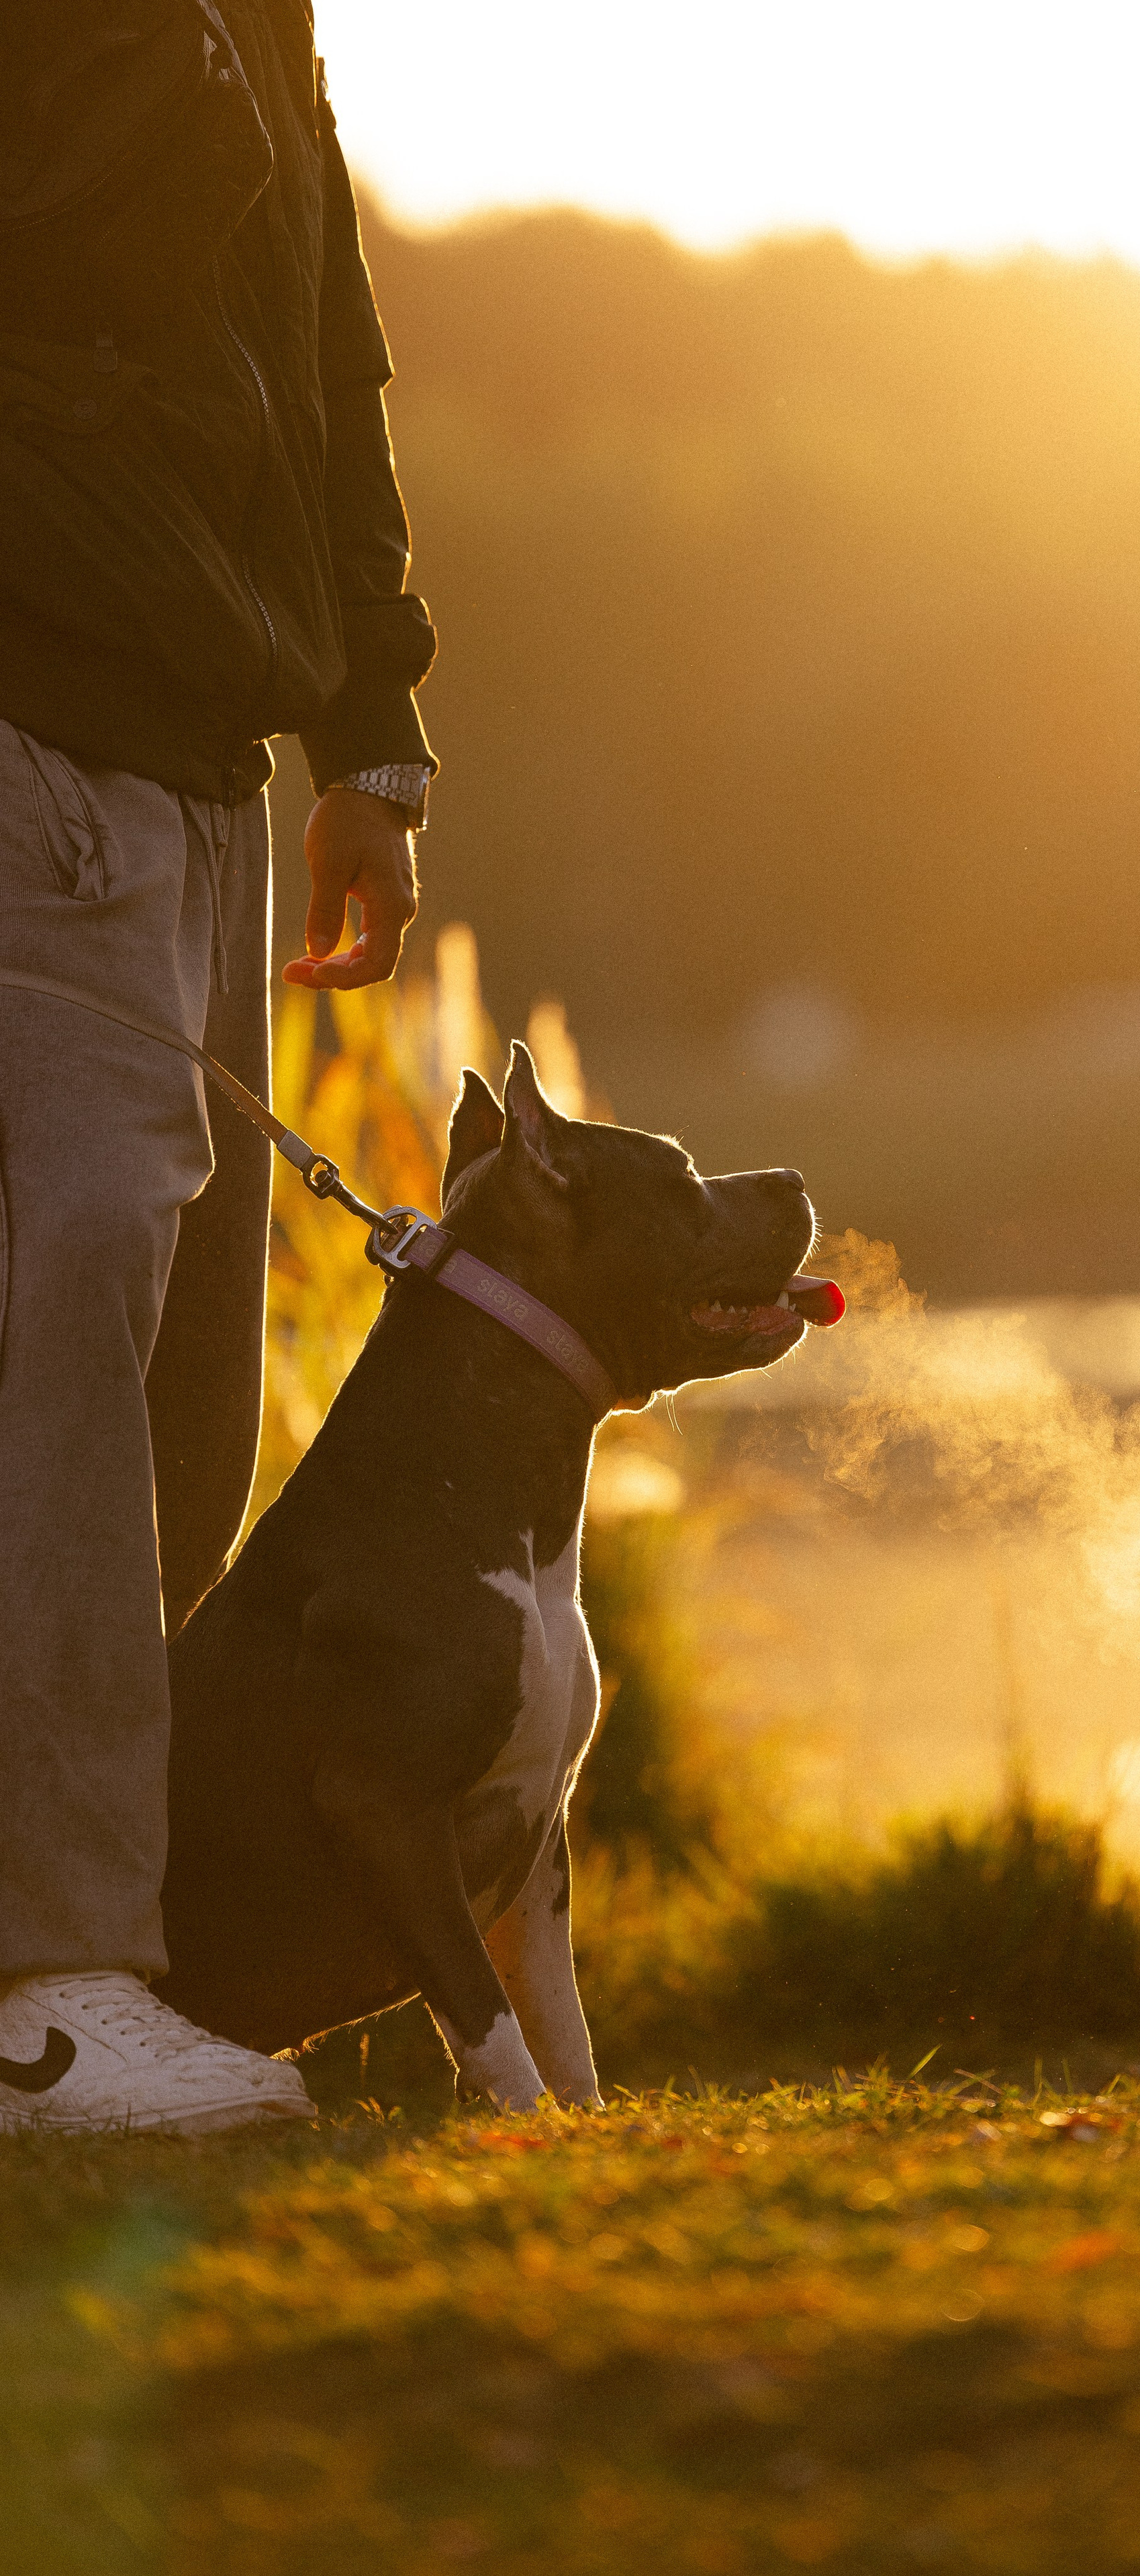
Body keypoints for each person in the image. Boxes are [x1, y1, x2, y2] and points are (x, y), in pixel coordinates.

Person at [0, 1, 436, 2132]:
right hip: (27, 720)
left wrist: (370, 727)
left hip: (206, 747)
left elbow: (319, 332)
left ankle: (83, 1956)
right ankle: (50, 1990)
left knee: (180, 1396)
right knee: (62, 1318)